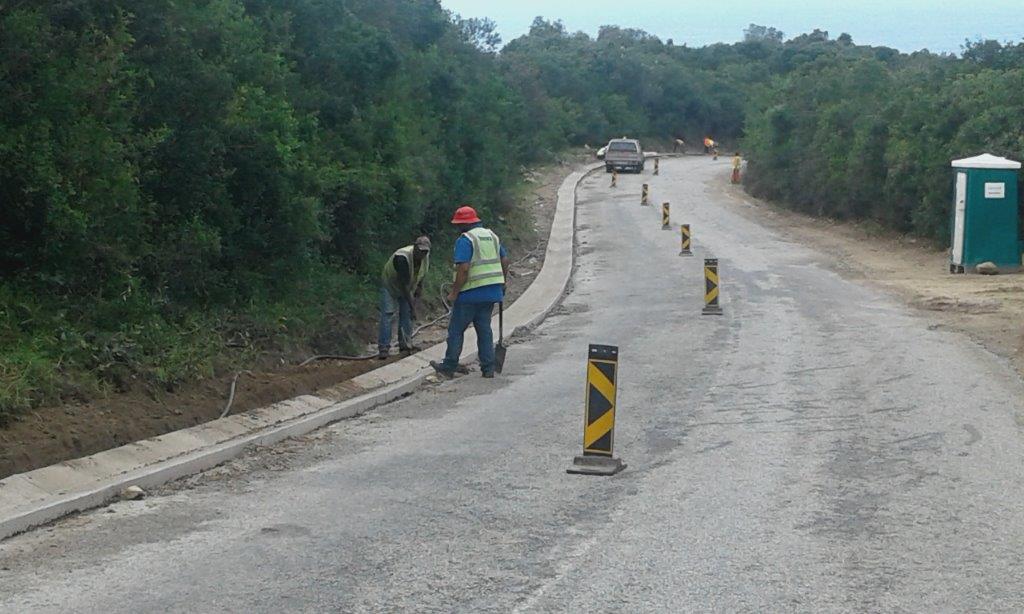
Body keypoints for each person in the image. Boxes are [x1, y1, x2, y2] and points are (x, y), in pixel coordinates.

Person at [430, 206, 509, 379]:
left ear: (464, 224)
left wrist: (454, 293)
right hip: (491, 293)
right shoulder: (491, 236)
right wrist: (502, 282)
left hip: (470, 294)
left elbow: (464, 269)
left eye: (458, 225)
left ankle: (449, 366)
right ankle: (488, 368)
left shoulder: (465, 240)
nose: (457, 228)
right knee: (484, 329)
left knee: (456, 331)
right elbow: (504, 259)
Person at [378, 236, 431, 359]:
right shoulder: (402, 258)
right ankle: (384, 348)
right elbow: (404, 285)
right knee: (388, 314)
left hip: (408, 286)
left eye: (425, 251)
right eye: (420, 250)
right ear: (415, 247)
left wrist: (419, 288)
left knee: (406, 315)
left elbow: (422, 274)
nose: (422, 254)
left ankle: (405, 344)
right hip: (391, 285)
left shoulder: (425, 257)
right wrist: (413, 307)